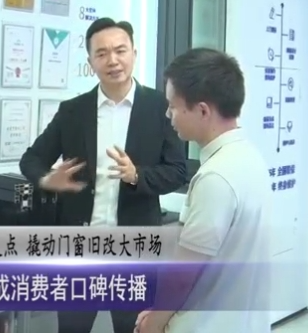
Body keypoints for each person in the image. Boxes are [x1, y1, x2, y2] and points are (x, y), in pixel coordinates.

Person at [18, 17, 186, 333]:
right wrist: (47, 180)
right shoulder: (73, 111)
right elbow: (32, 159)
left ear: (134, 53)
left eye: (120, 50)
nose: (113, 60)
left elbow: (178, 170)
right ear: (90, 62)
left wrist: (137, 176)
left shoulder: (160, 108)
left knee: (133, 328)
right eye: (102, 53)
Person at [135, 48, 271, 333]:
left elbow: (184, 276)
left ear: (202, 111)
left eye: (173, 106)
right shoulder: (250, 157)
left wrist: (153, 324)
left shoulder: (215, 178)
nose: (168, 114)